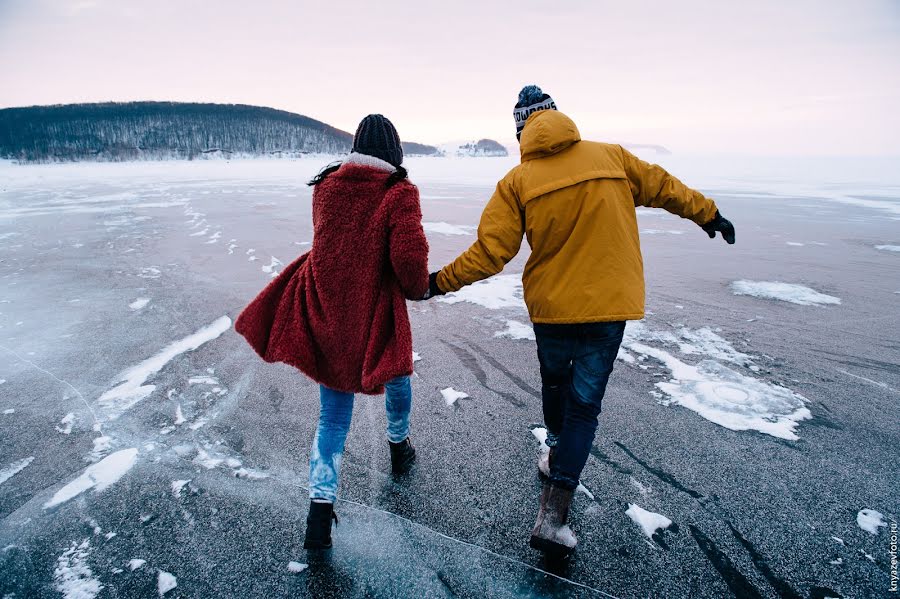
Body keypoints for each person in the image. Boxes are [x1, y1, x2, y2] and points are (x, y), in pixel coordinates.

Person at [423, 85, 735, 559]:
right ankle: (554, 516)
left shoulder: (517, 181)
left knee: (556, 388)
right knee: (584, 407)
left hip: (552, 311)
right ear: (559, 117)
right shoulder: (612, 157)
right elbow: (667, 187)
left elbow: (491, 253)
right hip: (609, 306)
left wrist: (436, 283)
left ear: (520, 131)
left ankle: (553, 453)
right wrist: (709, 215)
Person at [234, 114, 429, 550]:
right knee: (397, 373)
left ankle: (319, 514)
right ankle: (399, 448)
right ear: (394, 152)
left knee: (333, 418)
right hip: (376, 312)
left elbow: (333, 245)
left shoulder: (327, 187)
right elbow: (410, 265)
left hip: (329, 312)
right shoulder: (398, 193)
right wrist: (418, 288)